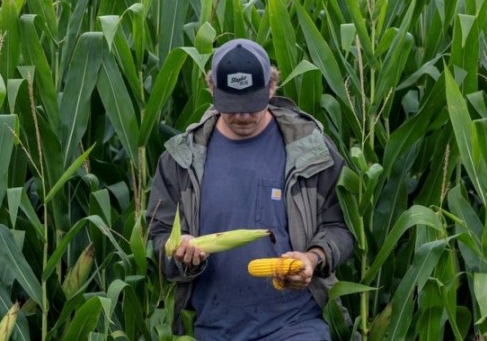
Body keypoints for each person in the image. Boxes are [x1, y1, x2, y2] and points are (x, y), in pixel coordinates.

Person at [147, 38, 354, 340]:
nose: (242, 116)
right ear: (211, 89)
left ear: (271, 87)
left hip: (294, 324)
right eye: (232, 107)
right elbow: (158, 236)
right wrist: (179, 252)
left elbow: (341, 226)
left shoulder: (310, 149)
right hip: (212, 328)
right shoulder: (181, 160)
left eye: (251, 105)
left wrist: (313, 258)